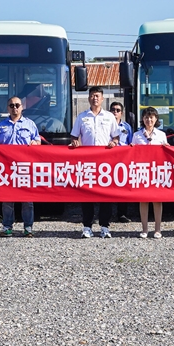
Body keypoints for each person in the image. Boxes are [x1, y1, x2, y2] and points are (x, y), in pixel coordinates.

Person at [69, 87, 120, 238]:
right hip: (88, 163)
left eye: (97, 96)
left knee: (105, 195)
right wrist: (74, 143)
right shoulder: (82, 117)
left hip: (105, 162)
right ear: (89, 98)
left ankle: (104, 226)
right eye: (92, 96)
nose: (94, 98)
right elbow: (73, 136)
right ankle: (87, 226)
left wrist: (114, 143)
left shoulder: (110, 117)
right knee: (87, 195)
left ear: (102, 99)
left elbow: (116, 137)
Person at [0, 96, 40, 237]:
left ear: (22, 107)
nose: (15, 108)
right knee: (7, 200)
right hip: (7, 168)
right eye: (11, 105)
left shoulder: (30, 124)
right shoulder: (1, 125)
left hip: (25, 167)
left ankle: (28, 228)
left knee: (27, 200)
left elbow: (38, 140)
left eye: (17, 105)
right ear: (8, 108)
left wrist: (35, 144)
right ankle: (7, 227)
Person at [131, 107, 168, 238]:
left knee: (157, 200)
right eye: (146, 117)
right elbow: (131, 153)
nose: (149, 120)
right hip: (143, 171)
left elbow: (167, 152)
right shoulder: (137, 135)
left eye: (151, 117)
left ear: (156, 119)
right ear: (143, 119)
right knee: (144, 200)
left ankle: (158, 229)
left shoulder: (161, 135)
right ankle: (144, 229)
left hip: (157, 171)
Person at [109, 100, 133, 223]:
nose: (115, 112)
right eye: (113, 110)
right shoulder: (106, 124)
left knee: (122, 185)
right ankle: (106, 214)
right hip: (108, 158)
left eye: (117, 110)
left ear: (121, 113)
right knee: (107, 186)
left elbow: (130, 143)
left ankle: (121, 214)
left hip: (123, 159)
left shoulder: (127, 127)